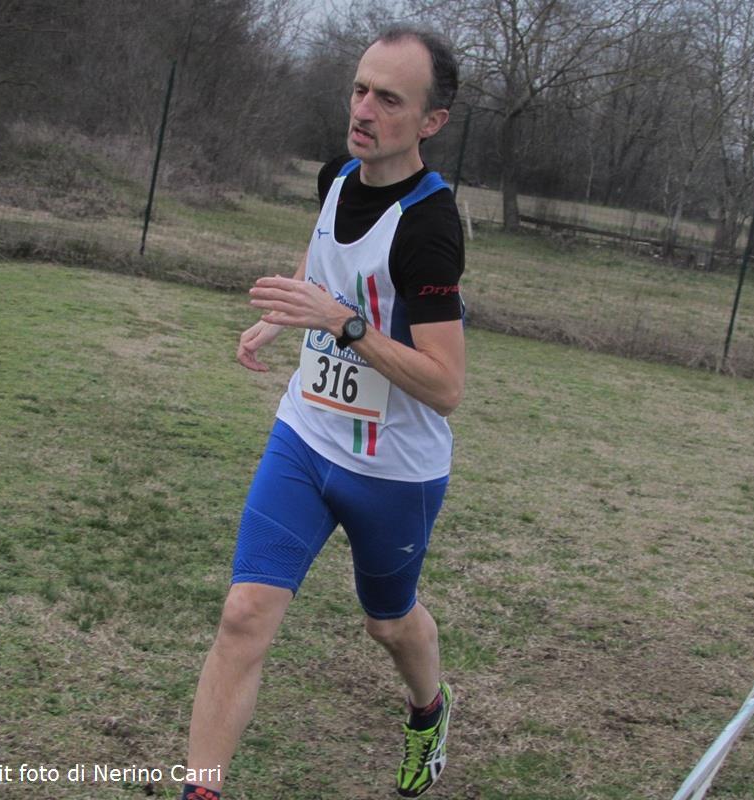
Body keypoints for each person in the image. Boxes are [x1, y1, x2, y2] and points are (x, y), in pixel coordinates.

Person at [181, 26, 464, 800]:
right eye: (359, 89)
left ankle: (428, 709)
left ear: (431, 121)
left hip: (391, 470)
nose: (363, 110)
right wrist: (286, 312)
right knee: (244, 613)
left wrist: (340, 322)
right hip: (304, 436)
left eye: (389, 99)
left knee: (387, 623)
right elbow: (324, 252)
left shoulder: (430, 228)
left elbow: (444, 385)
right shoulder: (336, 175)